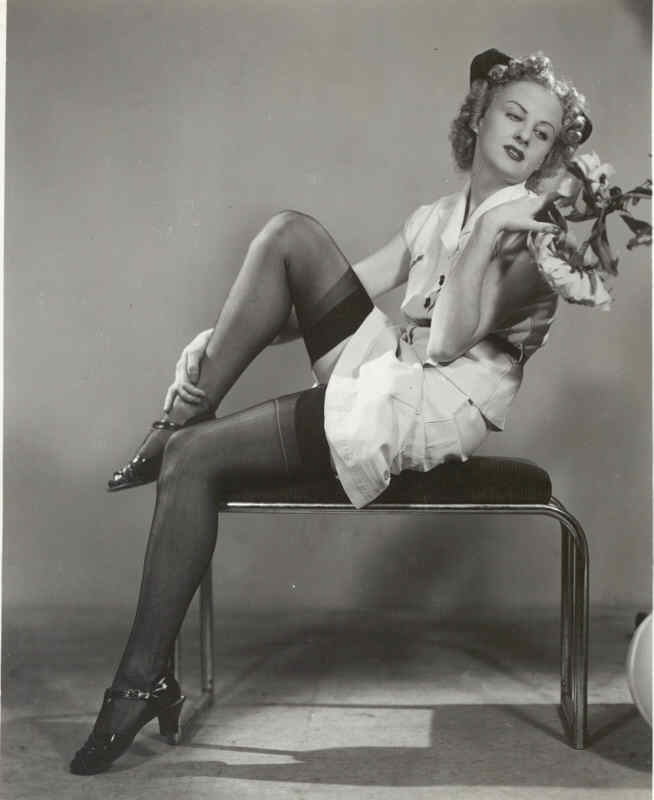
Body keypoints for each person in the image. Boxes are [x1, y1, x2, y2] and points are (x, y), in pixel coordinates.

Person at [70, 49, 592, 774]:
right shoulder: (436, 217)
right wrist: (215, 344)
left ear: (549, 154)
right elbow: (312, 306)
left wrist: (485, 238)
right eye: (514, 115)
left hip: (435, 401)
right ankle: (184, 415)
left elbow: (448, 342)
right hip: (395, 366)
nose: (524, 137)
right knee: (290, 234)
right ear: (478, 115)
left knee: (192, 458)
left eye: (542, 134)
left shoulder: (532, 240)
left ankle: (139, 679)